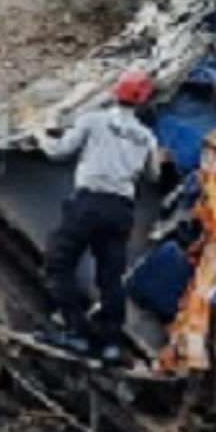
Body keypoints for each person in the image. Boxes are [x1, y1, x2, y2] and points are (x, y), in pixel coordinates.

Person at [38, 68, 162, 363]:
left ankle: (77, 334)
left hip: (89, 202)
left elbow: (58, 151)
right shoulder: (147, 137)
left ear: (114, 92)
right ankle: (111, 345)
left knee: (57, 265)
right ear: (143, 100)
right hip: (121, 210)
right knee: (110, 279)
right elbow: (153, 175)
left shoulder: (93, 120)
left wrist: (39, 134)